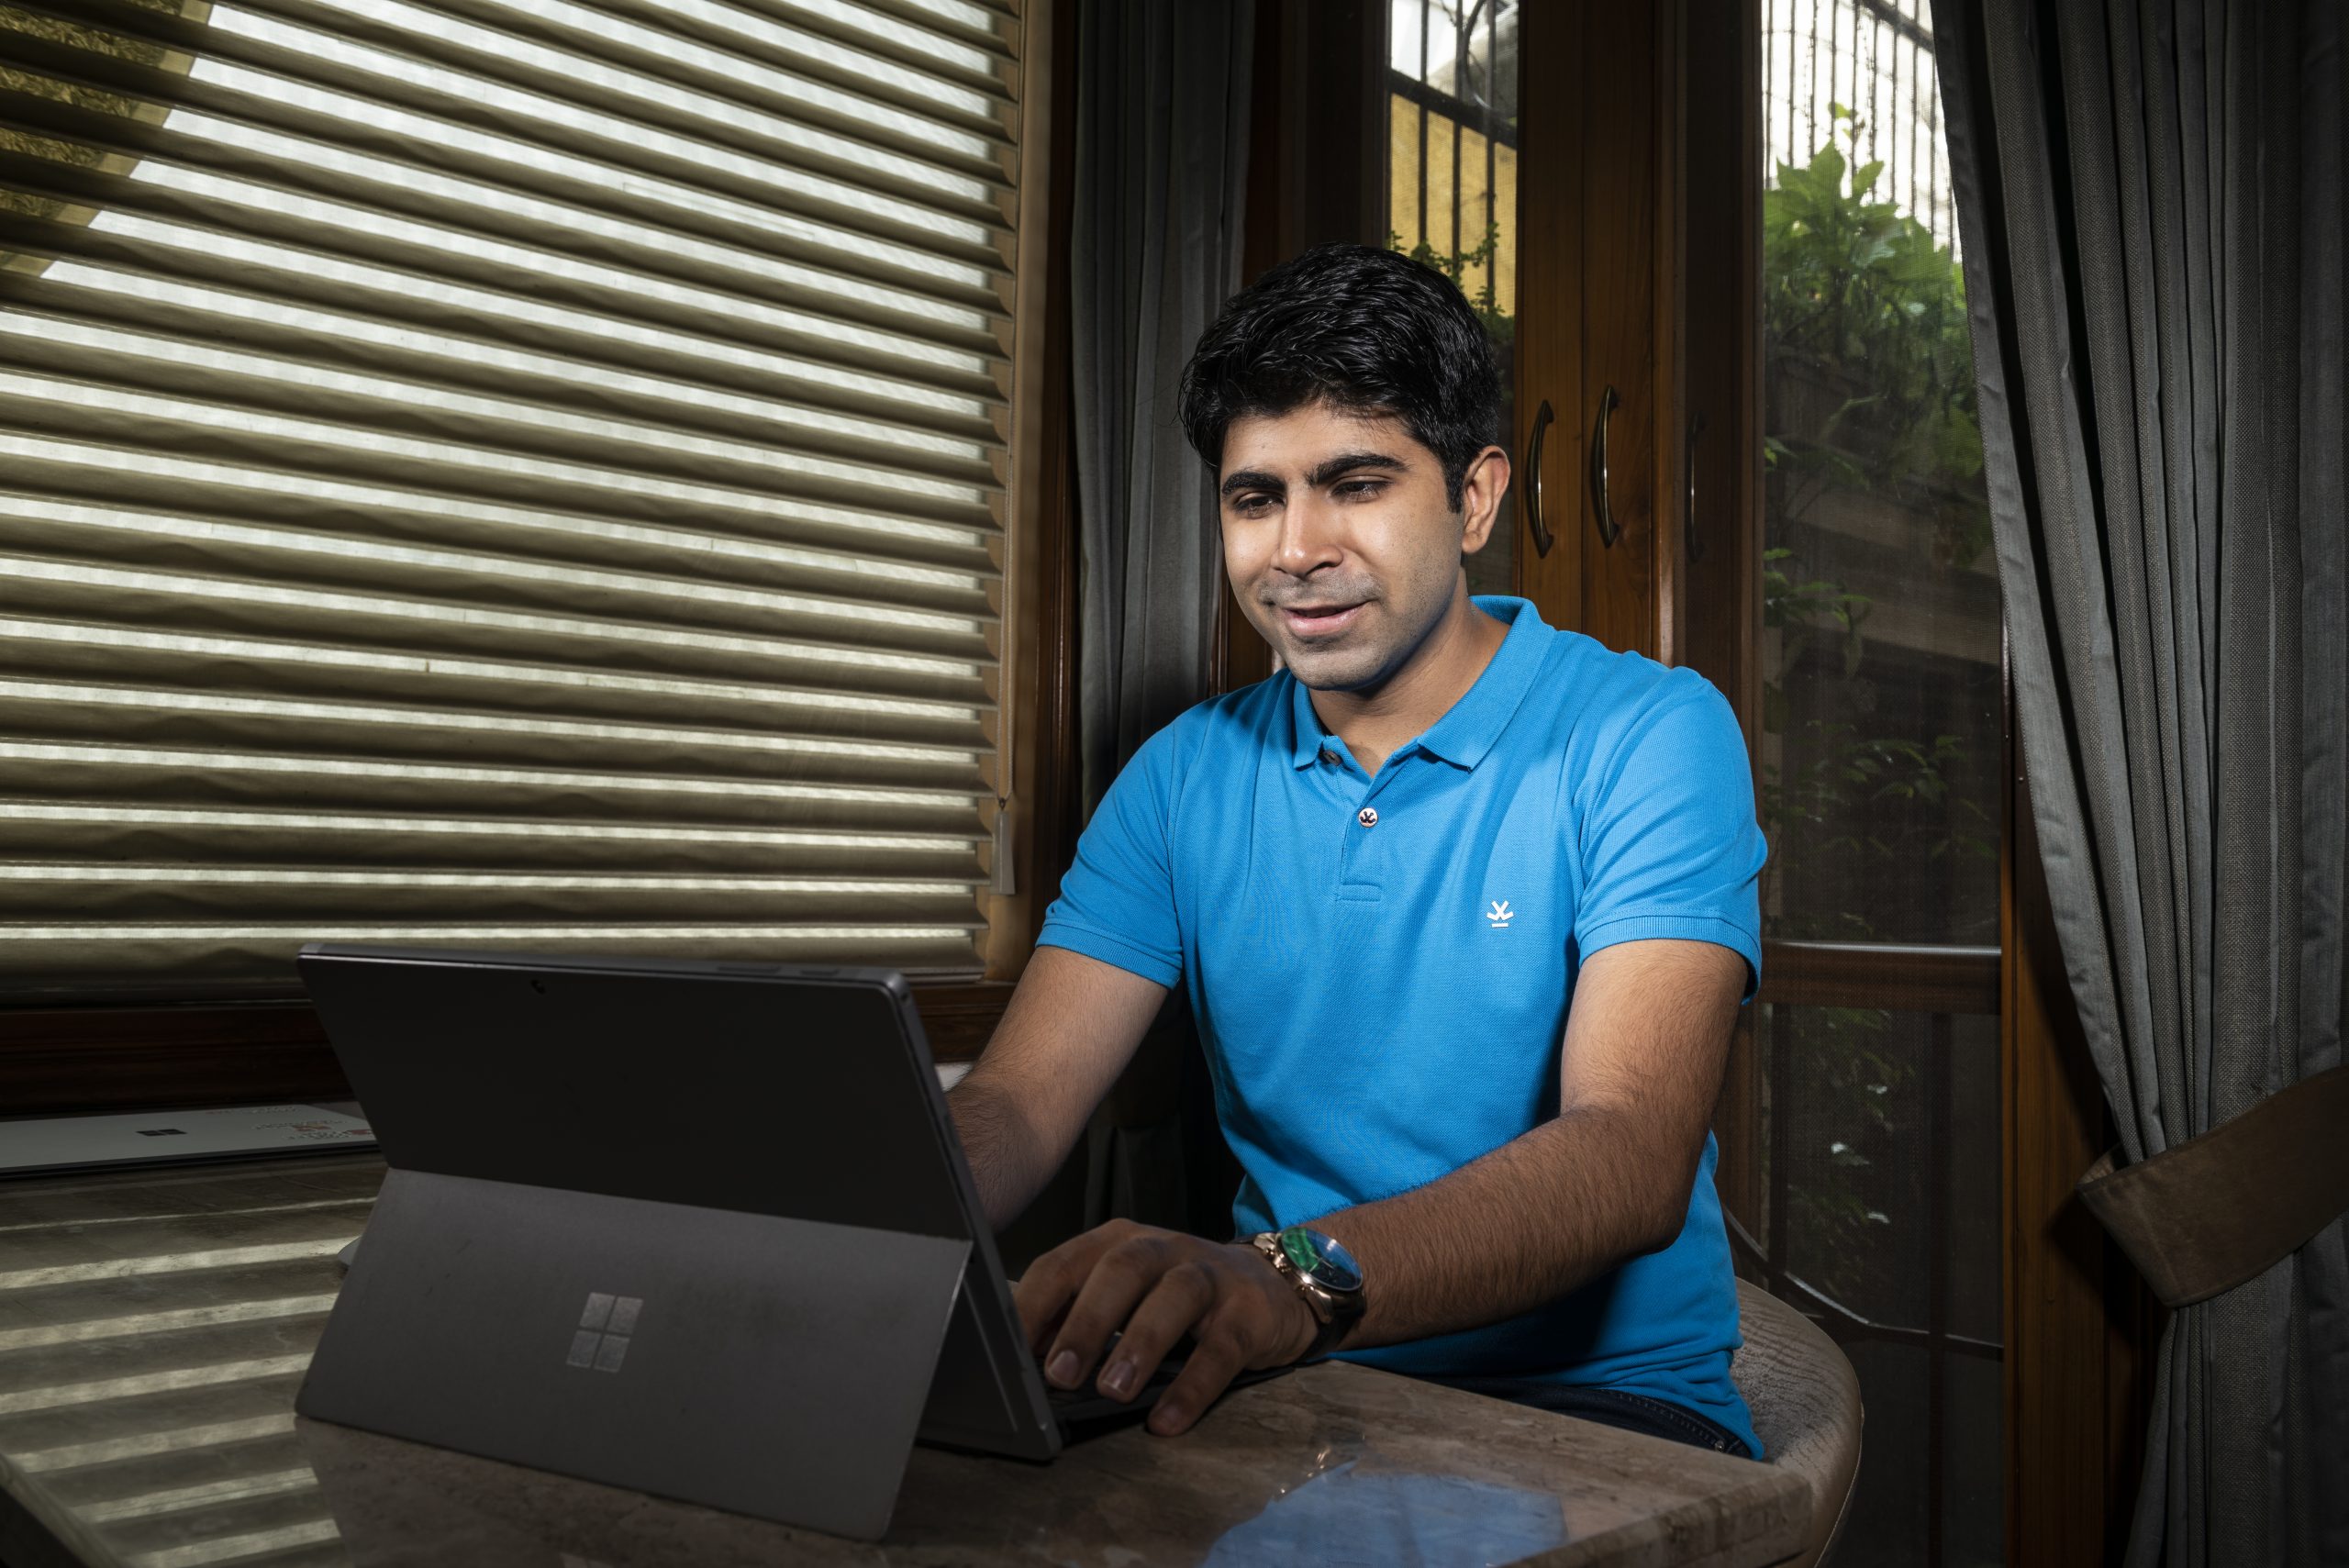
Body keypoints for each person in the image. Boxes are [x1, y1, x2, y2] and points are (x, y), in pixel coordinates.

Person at [946, 242, 1766, 1458]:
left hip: (1598, 1406)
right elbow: (1017, 1099)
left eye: (1356, 483)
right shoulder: (1181, 775)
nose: (1296, 549)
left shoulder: (1646, 732)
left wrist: (1287, 1279)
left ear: (1475, 497)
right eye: (1255, 497)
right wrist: (839, 1226)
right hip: (1279, 1396)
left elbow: (1630, 1152)